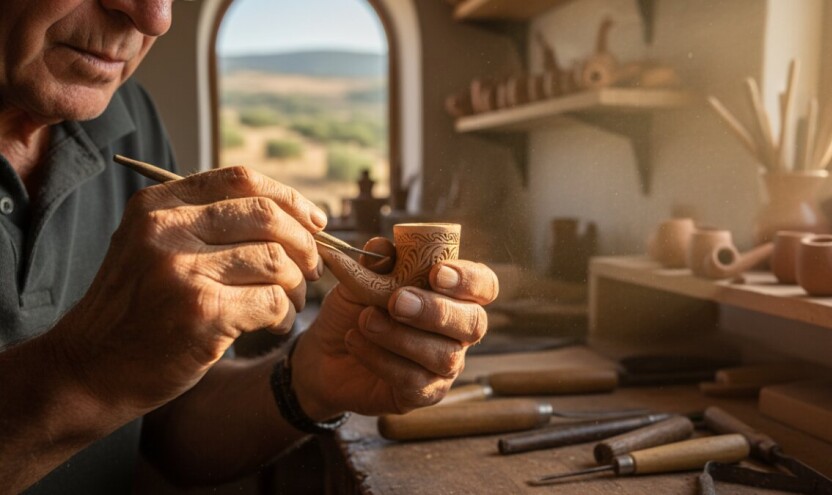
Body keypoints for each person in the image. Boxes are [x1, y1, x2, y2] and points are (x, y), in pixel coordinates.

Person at [0, 1, 498, 493]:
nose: (155, 18)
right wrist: (85, 373)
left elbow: (166, 424)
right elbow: (106, 385)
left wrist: (313, 379)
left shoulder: (123, 109)